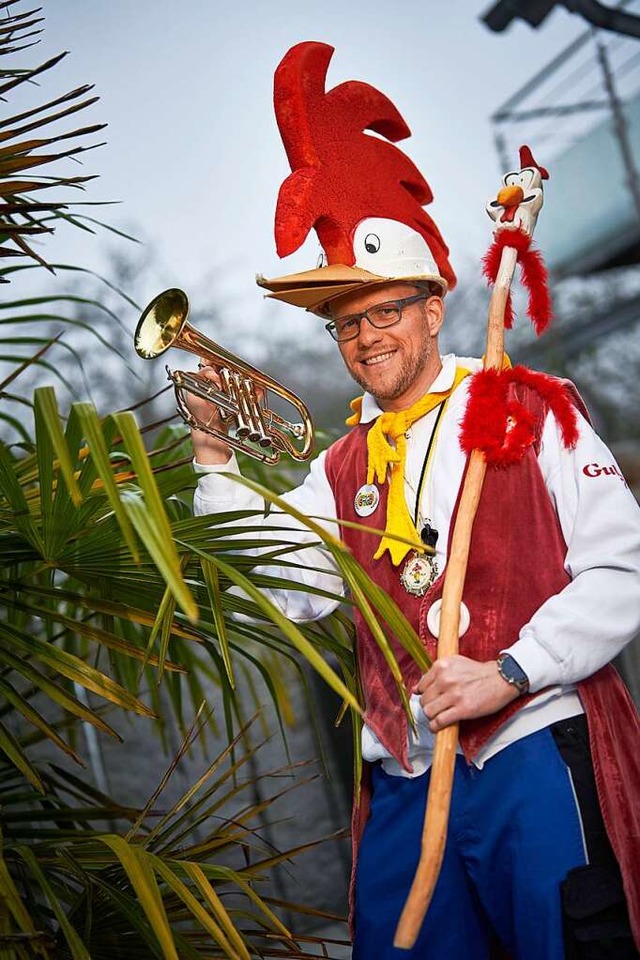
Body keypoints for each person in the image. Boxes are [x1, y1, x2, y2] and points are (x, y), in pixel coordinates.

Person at [188, 41, 640, 960]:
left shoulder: (526, 403)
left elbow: (622, 568)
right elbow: (284, 589)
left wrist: (508, 672)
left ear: (434, 308)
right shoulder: (340, 465)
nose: (365, 336)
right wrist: (214, 465)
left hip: (528, 748)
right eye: (346, 321)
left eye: (385, 310)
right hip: (400, 776)